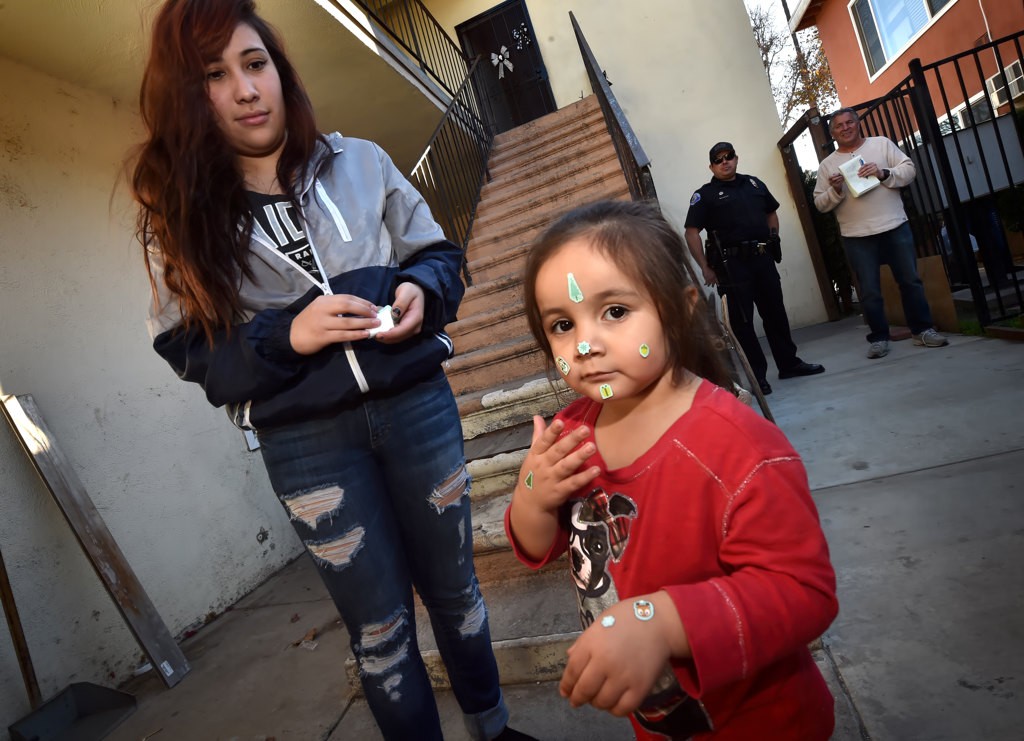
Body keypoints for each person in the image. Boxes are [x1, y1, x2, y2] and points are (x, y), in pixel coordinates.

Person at [129, 2, 534, 739]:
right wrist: (291, 333)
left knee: (457, 590)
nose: (247, 89)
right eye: (216, 75)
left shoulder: (363, 162)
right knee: (380, 632)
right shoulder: (181, 218)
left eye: (256, 64)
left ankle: (495, 728)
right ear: (191, 97)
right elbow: (191, 352)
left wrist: (423, 289)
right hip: (307, 445)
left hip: (417, 407)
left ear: (280, 72)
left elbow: (440, 255)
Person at [506, 200, 839, 740]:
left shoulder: (739, 449)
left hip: (762, 721)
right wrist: (532, 495)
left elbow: (804, 592)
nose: (585, 345)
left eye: (614, 311)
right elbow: (535, 543)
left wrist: (663, 622)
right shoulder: (570, 435)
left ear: (681, 307)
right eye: (562, 325)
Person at [684, 142, 824, 396]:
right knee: (743, 323)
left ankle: (789, 364)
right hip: (731, 266)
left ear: (736, 158)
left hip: (762, 259)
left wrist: (773, 238)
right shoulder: (705, 195)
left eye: (729, 157)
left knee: (775, 313)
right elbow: (691, 232)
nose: (725, 162)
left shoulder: (754, 185)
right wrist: (705, 267)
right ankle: (757, 376)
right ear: (711, 166)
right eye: (719, 160)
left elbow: (771, 213)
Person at [814, 108, 949, 359]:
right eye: (839, 126)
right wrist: (836, 190)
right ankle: (878, 338)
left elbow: (909, 170)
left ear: (858, 124)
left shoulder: (881, 144)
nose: (845, 128)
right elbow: (820, 204)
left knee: (910, 281)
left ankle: (922, 330)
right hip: (856, 235)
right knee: (869, 291)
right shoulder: (828, 165)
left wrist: (884, 173)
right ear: (832, 133)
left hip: (895, 224)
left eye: (849, 122)